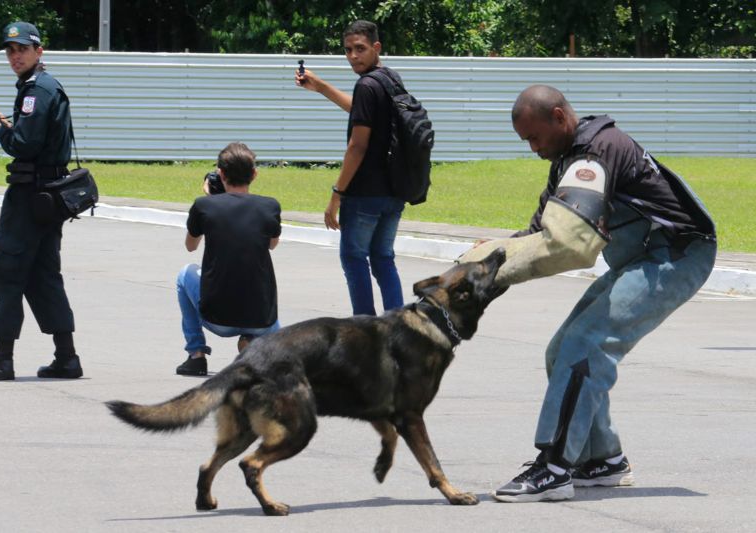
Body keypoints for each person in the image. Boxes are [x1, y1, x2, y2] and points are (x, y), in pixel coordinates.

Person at [459, 85, 717, 502]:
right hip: (642, 258)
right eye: (526, 141)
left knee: (586, 344)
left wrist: (492, 275)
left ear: (559, 117)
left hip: (678, 254)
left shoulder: (598, 152)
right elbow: (539, 232)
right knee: (560, 349)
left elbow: (568, 244)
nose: (533, 148)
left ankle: (554, 468)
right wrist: (490, 258)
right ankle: (603, 459)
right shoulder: (569, 158)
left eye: (534, 137)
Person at [0, 21, 84, 380]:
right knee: (43, 274)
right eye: (10, 50)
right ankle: (66, 357)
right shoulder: (43, 85)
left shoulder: (36, 90)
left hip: (31, 197)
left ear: (39, 51)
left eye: (22, 49)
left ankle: (3, 359)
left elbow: (24, 145)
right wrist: (8, 127)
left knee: (8, 268)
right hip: (47, 197)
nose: (15, 56)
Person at [295, 20, 405, 316]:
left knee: (354, 259)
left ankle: (364, 332)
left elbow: (357, 147)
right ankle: (401, 328)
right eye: (348, 50)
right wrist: (321, 87)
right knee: (383, 258)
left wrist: (336, 194)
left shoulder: (367, 85)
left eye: (360, 48)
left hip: (364, 194)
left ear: (376, 47)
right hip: (394, 191)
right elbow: (360, 109)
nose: (353, 56)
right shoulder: (390, 79)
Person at [175, 142, 281, 376]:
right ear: (254, 174)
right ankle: (252, 340)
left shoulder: (204, 205)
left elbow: (190, 246)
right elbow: (272, 244)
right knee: (258, 284)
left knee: (184, 274)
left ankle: (196, 355)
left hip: (217, 319)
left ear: (221, 174)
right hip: (262, 321)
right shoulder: (270, 206)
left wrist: (211, 202)